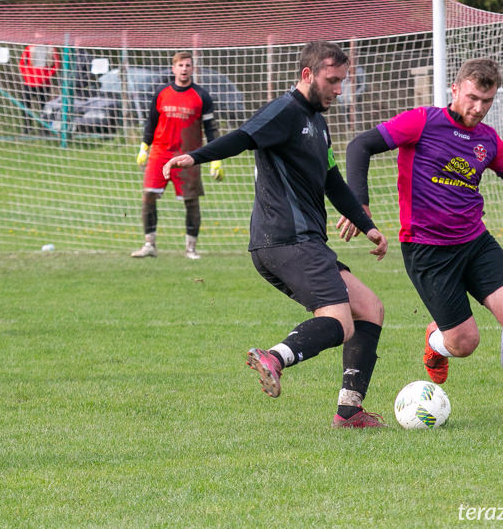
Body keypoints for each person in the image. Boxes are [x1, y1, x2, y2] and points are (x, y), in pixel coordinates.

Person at [343, 57, 503, 416]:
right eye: (472, 98)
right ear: (455, 90)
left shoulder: (488, 140)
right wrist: (360, 206)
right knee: (465, 343)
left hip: (474, 241)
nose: (478, 108)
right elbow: (360, 146)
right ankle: (437, 342)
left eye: (487, 101)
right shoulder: (422, 121)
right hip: (427, 249)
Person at [164, 41, 390, 428]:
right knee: (340, 322)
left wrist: (367, 225)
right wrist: (195, 156)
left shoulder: (318, 123)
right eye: (332, 81)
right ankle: (275, 357)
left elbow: (332, 180)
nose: (339, 89)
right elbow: (243, 137)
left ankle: (349, 411)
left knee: (369, 308)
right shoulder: (285, 111)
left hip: (298, 243)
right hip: (288, 239)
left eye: (342, 81)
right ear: (308, 75)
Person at [132, 51, 224, 260]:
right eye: (180, 65)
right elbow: (151, 123)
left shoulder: (202, 96)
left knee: (191, 201)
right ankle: (149, 245)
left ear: (193, 69)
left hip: (188, 156)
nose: (184, 69)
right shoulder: (161, 93)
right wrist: (144, 147)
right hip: (160, 154)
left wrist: (216, 157)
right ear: (173, 69)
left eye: (188, 65)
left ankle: (191, 248)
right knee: (148, 196)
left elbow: (211, 129)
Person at [18, 33, 59, 134]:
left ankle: (44, 128)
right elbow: (22, 64)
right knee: (24, 103)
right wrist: (27, 76)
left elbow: (56, 65)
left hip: (44, 84)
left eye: (41, 38)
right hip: (29, 83)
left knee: (44, 106)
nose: (39, 40)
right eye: (37, 38)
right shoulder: (30, 48)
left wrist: (47, 75)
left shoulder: (50, 49)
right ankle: (27, 126)